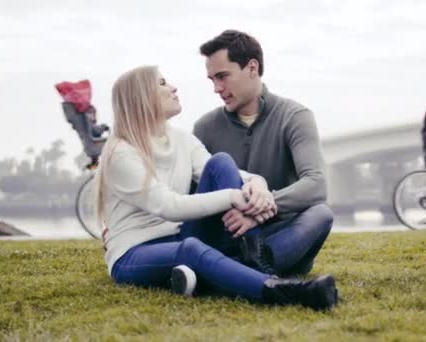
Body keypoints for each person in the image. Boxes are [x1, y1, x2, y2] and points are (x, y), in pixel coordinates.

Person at [95, 65, 338, 310]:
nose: (173, 87)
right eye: (162, 83)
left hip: (183, 236)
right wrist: (233, 197)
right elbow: (168, 205)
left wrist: (258, 183)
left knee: (221, 161)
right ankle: (279, 289)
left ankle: (244, 263)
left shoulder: (181, 138)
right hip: (135, 253)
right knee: (190, 250)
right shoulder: (120, 152)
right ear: (140, 97)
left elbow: (219, 170)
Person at [192, 30, 333, 277]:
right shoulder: (205, 127)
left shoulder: (295, 117)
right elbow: (188, 192)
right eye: (212, 79)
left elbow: (316, 184)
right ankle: (243, 271)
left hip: (275, 235)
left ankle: (229, 270)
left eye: (223, 76)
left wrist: (261, 210)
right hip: (224, 237)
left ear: (252, 68)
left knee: (321, 215)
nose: (217, 88)